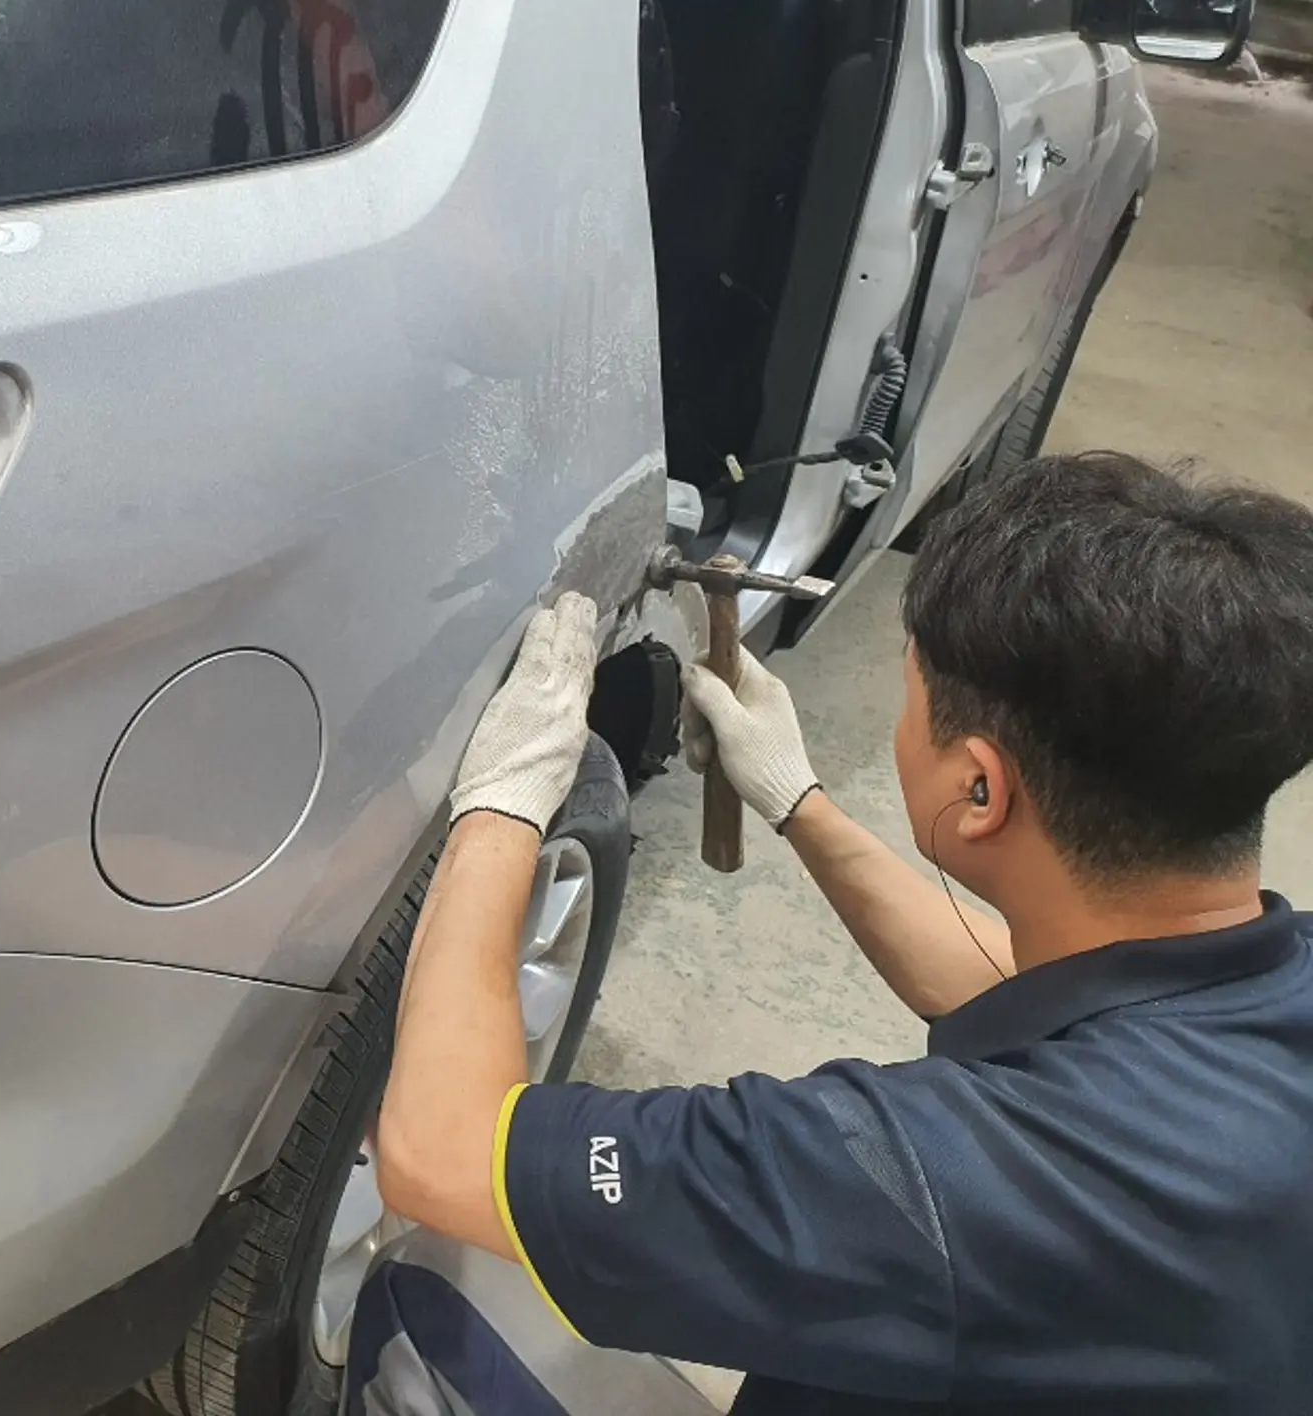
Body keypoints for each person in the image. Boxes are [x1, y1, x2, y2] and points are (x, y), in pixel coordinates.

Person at [365, 452, 1313, 1414]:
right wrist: (799, 802)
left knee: (426, 1282)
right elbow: (1036, 1002)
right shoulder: (1266, 995)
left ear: (978, 789)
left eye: (912, 703)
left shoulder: (925, 1184)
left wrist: (502, 803)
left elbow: (439, 1154)